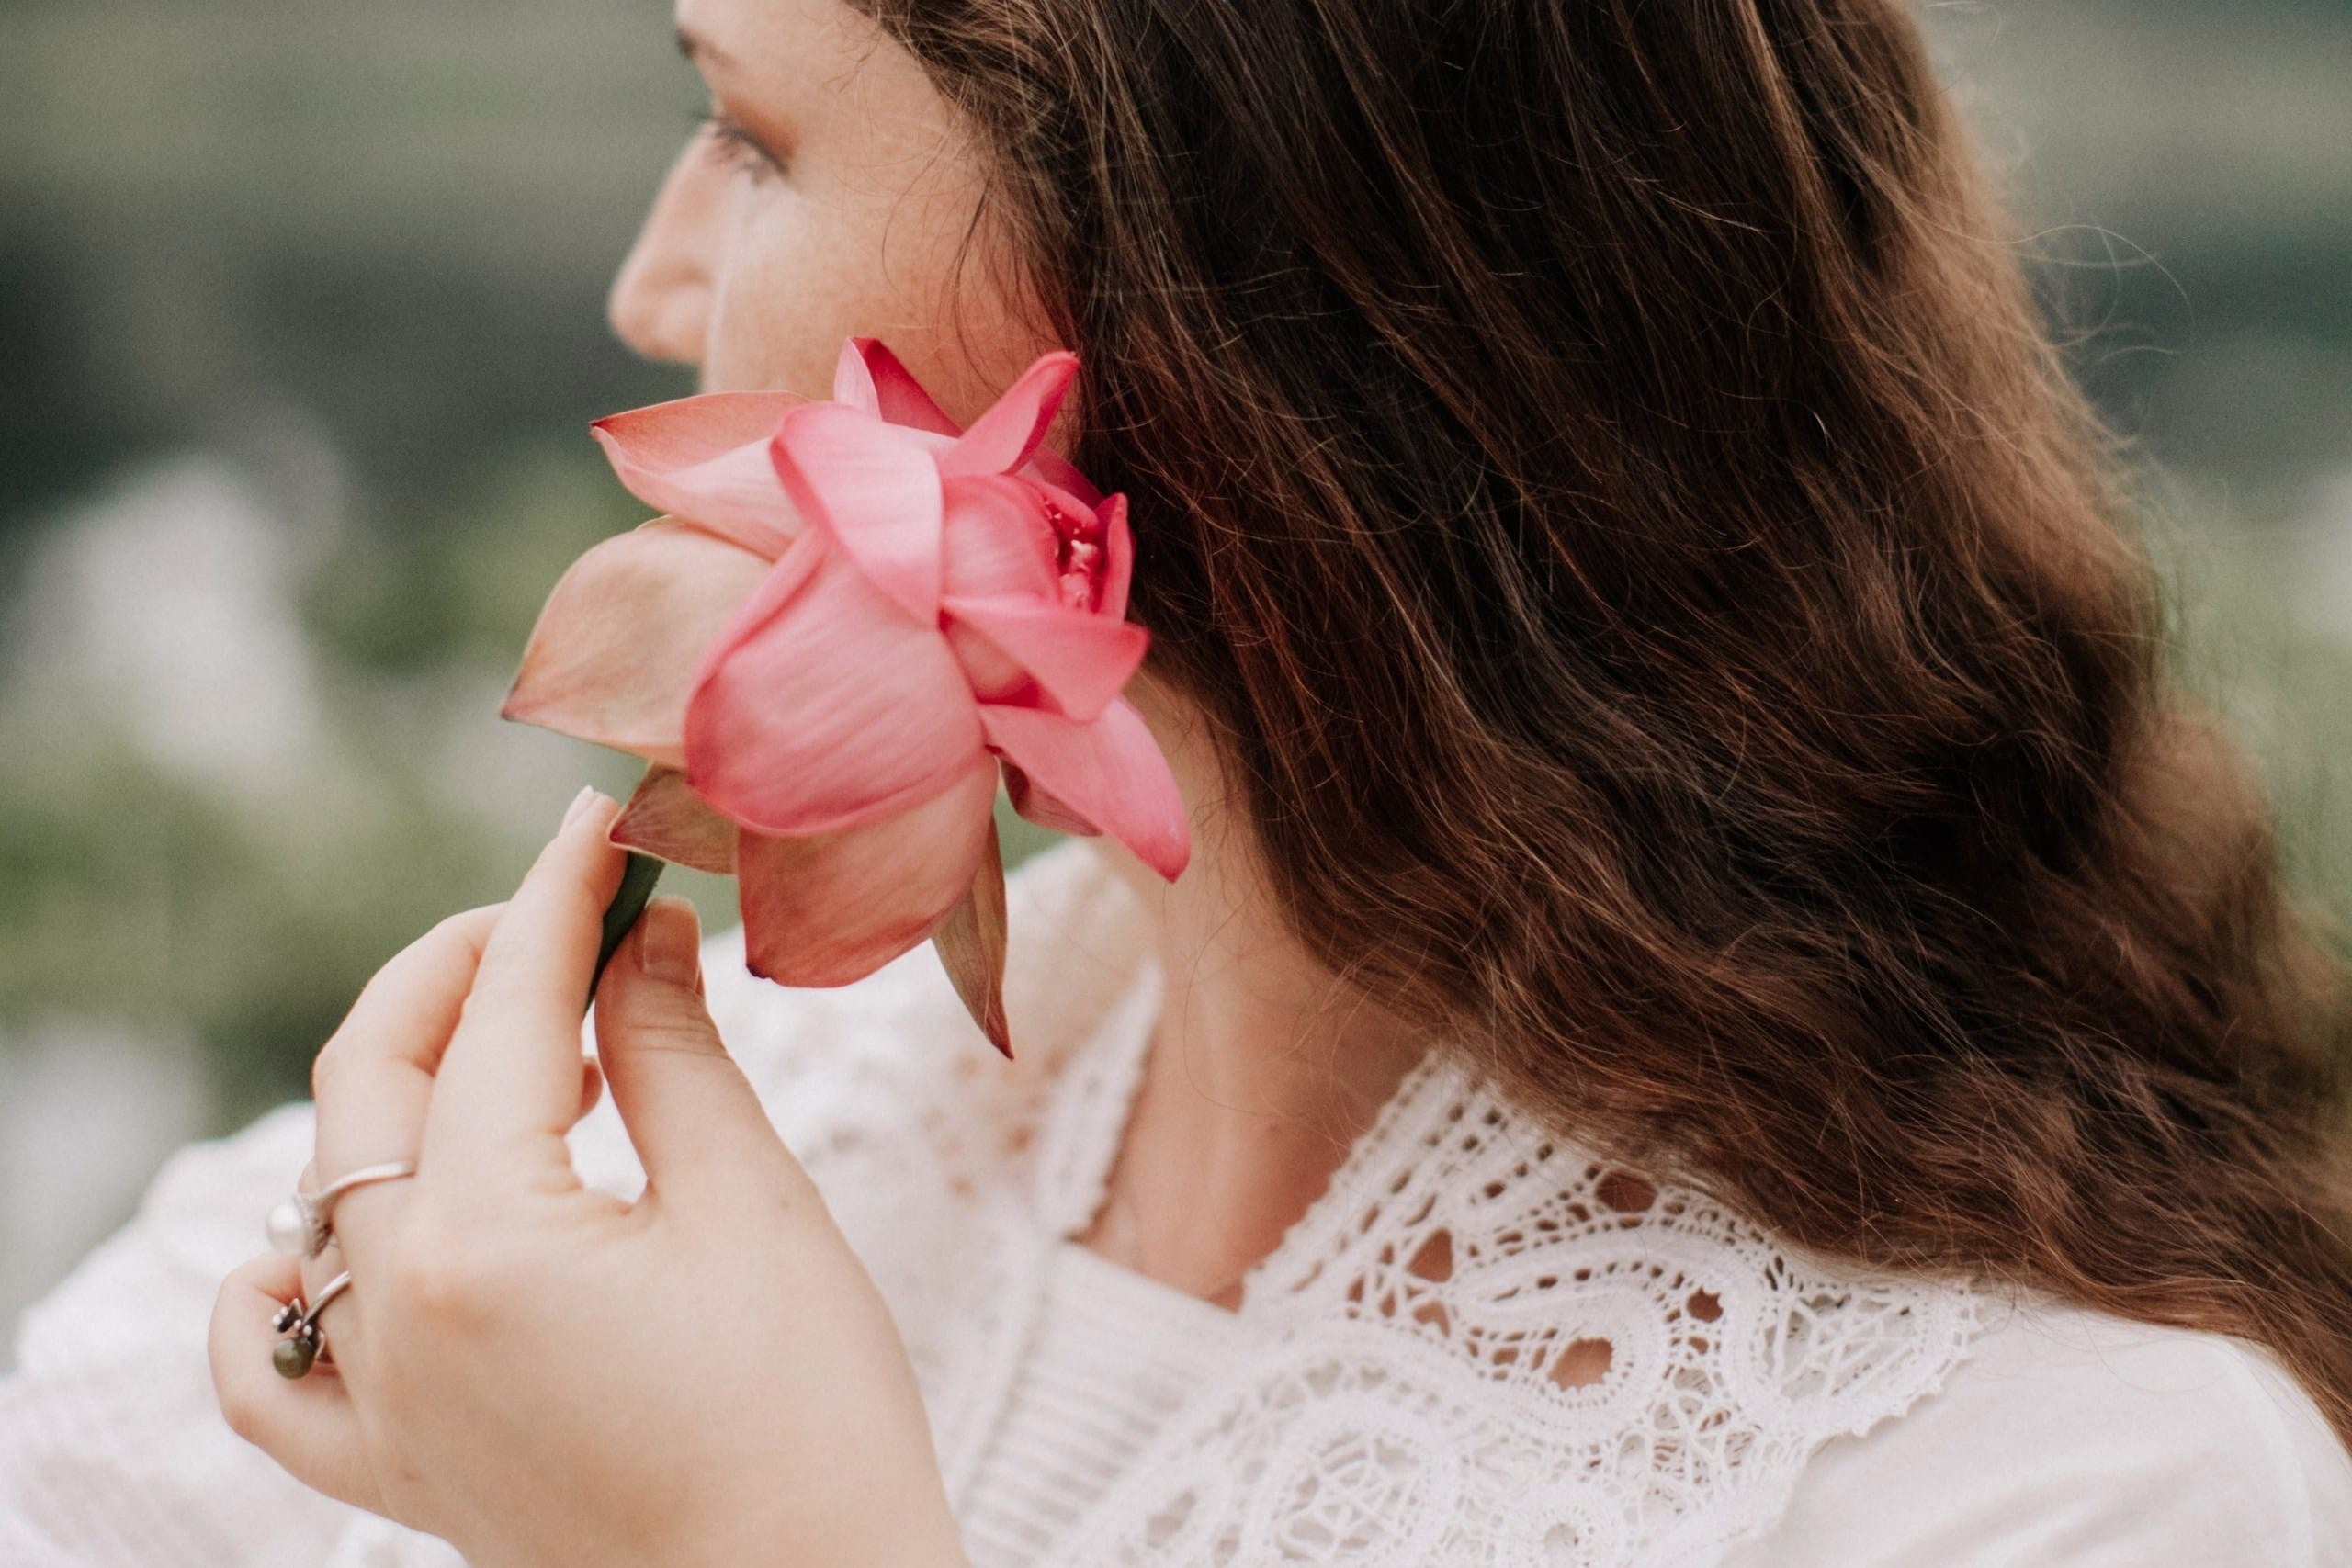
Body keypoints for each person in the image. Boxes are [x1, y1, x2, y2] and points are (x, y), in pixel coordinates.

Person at [6, 0, 2351, 1562]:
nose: (652, 280)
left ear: (1232, 287)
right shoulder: (758, 1126)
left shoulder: (2069, 1491)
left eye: (748, 130)